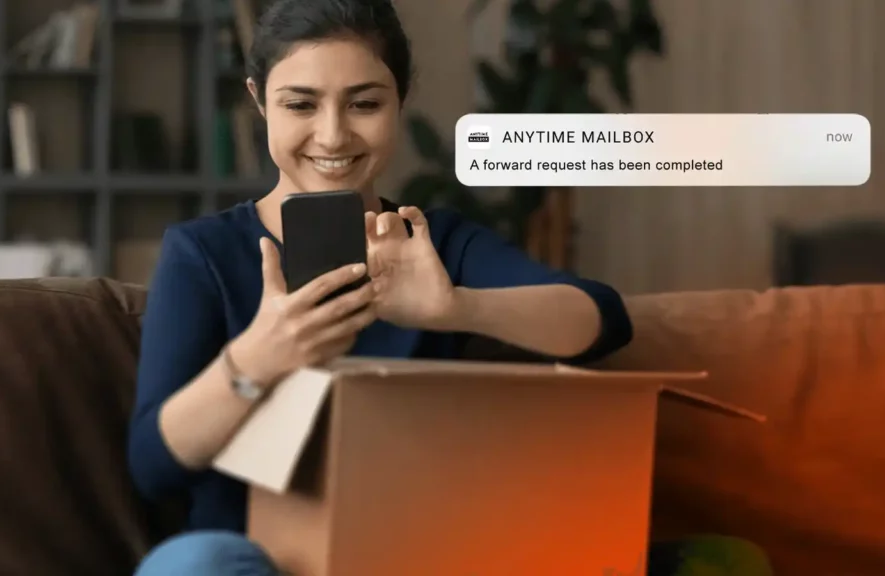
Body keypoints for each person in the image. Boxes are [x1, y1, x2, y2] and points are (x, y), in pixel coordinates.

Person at [129, 1, 768, 575]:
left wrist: (456, 306)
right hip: (257, 556)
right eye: (300, 104)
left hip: (412, 546)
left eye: (365, 103)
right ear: (258, 101)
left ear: (400, 103)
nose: (332, 135)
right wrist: (258, 360)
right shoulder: (203, 253)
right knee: (193, 564)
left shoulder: (435, 244)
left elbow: (598, 318)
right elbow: (154, 466)